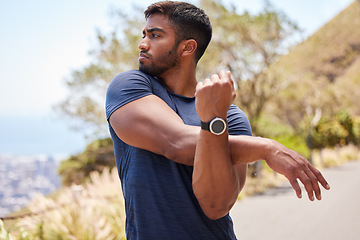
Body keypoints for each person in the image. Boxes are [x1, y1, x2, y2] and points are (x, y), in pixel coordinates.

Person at [105, 1, 330, 239]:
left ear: (187, 48)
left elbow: (216, 206)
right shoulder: (131, 87)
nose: (142, 44)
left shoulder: (230, 116)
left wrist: (214, 117)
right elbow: (175, 141)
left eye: (155, 35)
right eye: (144, 34)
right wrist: (265, 148)